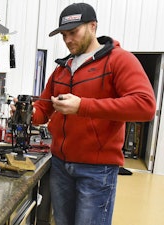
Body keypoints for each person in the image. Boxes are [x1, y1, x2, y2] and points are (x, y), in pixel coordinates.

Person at [30, 3, 156, 225]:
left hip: (97, 170)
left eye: (73, 32)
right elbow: (43, 111)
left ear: (93, 26)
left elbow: (145, 106)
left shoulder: (119, 60)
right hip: (60, 165)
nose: (68, 40)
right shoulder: (61, 68)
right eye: (64, 35)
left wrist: (83, 106)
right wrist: (27, 113)